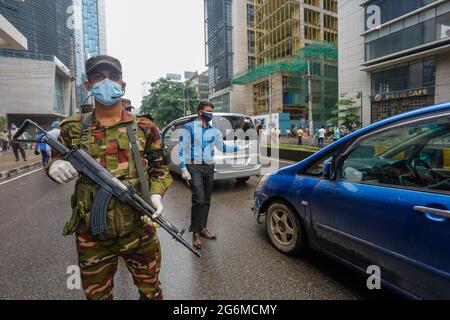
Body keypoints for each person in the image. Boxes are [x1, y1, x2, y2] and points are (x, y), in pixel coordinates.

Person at [45, 55, 173, 300]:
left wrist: (155, 194)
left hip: (139, 230)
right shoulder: (71, 128)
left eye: (113, 77)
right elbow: (53, 159)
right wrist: (54, 166)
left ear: (123, 85)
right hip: (92, 235)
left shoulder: (145, 127)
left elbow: (160, 170)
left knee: (151, 292)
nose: (107, 82)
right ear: (88, 85)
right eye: (98, 77)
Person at [179, 101, 239, 250]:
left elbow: (222, 147)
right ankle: (195, 233)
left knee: (206, 200)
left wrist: (238, 147)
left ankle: (203, 228)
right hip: (194, 166)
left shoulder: (213, 130)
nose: (210, 113)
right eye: (208, 111)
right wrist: (183, 168)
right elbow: (182, 149)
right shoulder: (189, 127)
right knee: (198, 199)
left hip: (209, 167)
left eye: (212, 111)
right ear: (200, 112)